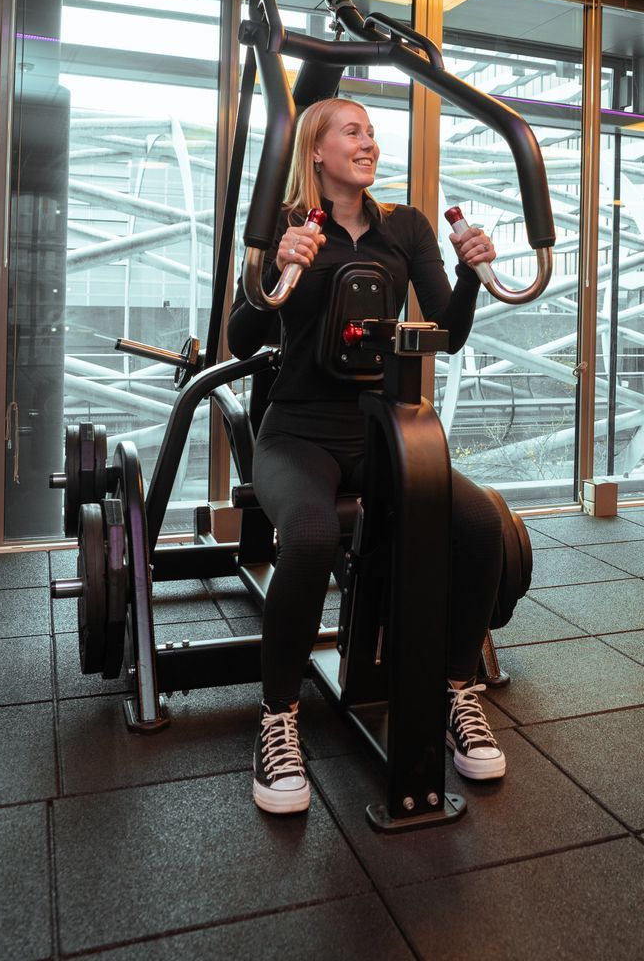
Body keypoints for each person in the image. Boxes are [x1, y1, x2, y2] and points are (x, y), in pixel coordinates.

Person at [227, 96, 508, 815]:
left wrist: (470, 272)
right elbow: (239, 338)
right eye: (353, 131)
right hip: (297, 431)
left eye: (373, 134)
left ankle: (456, 690)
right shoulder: (284, 227)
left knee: (478, 525)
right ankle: (278, 719)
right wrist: (272, 272)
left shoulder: (405, 228)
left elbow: (447, 333)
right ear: (316, 151)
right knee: (315, 534)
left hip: (381, 430)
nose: (370, 142)